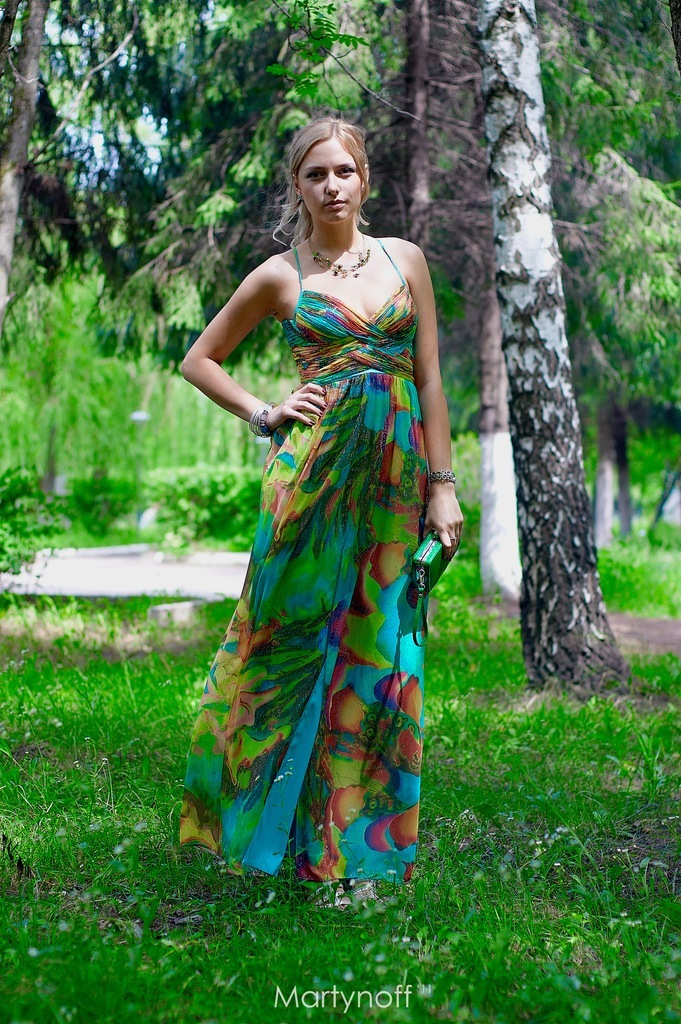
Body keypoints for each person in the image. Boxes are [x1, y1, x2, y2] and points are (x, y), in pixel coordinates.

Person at [178, 115, 463, 907]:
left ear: (364, 178)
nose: (331, 186)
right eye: (315, 174)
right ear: (296, 186)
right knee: (283, 644)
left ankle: (356, 854)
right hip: (309, 481)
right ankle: (251, 832)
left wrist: (441, 483)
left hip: (395, 479)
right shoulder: (280, 275)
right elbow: (199, 359)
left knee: (380, 656)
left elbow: (429, 379)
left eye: (343, 171)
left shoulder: (405, 260)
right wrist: (263, 412)